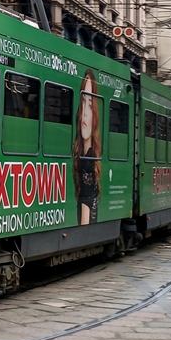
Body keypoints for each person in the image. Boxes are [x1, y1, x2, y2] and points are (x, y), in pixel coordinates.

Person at [73, 70, 102, 225]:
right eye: (83, 102)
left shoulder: (88, 162)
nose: (85, 112)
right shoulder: (82, 154)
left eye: (90, 105)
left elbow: (85, 221)